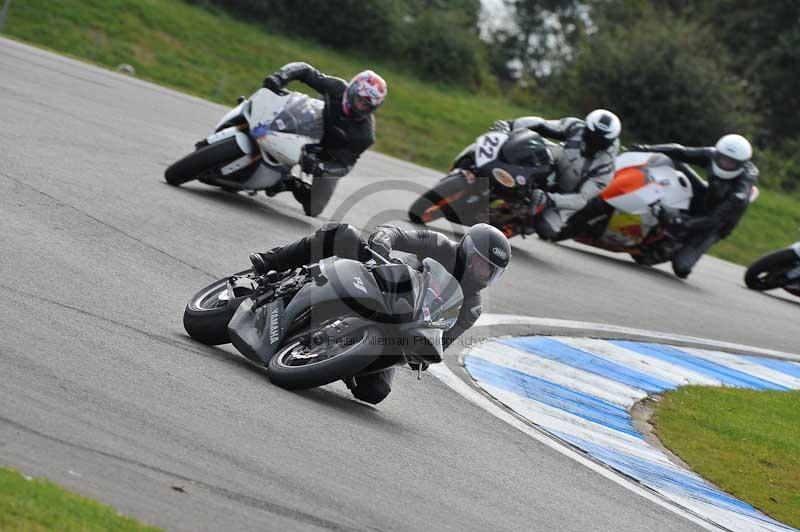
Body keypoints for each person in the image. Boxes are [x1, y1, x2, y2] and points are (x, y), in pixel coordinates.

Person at [249, 222, 511, 404]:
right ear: (467, 250)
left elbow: (445, 339)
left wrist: (424, 356)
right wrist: (384, 241)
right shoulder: (441, 245)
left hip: (402, 328)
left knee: (375, 392)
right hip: (382, 282)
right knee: (343, 234)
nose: (482, 273)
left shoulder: (472, 307)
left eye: (490, 270)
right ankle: (273, 260)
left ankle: (338, 354)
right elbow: (395, 233)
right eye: (480, 263)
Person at [262, 63, 387, 216]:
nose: (360, 106)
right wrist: (279, 78)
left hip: (326, 153)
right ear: (352, 91)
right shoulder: (337, 88)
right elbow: (305, 70)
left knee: (314, 208)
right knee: (274, 116)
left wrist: (320, 167)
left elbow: (345, 165)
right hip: (307, 126)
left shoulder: (364, 136)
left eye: (366, 105)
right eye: (359, 99)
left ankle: (291, 183)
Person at [630, 134, 757, 278]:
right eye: (722, 158)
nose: (725, 164)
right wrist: (646, 149)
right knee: (671, 161)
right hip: (707, 197)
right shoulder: (711, 154)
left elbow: (714, 219)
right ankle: (645, 194)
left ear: (741, 164)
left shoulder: (741, 190)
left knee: (681, 268)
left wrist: (682, 222)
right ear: (717, 154)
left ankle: (677, 243)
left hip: (718, 223)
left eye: (731, 162)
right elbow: (681, 151)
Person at [490, 109, 622, 239]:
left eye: (600, 141)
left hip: (567, 192)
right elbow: (542, 124)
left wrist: (548, 199)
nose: (594, 143)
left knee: (547, 228)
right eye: (592, 137)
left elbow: (581, 199)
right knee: (532, 149)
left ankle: (514, 224)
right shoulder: (575, 126)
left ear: (609, 142)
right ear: (586, 129)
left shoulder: (606, 169)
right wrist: (510, 124)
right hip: (561, 159)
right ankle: (498, 180)